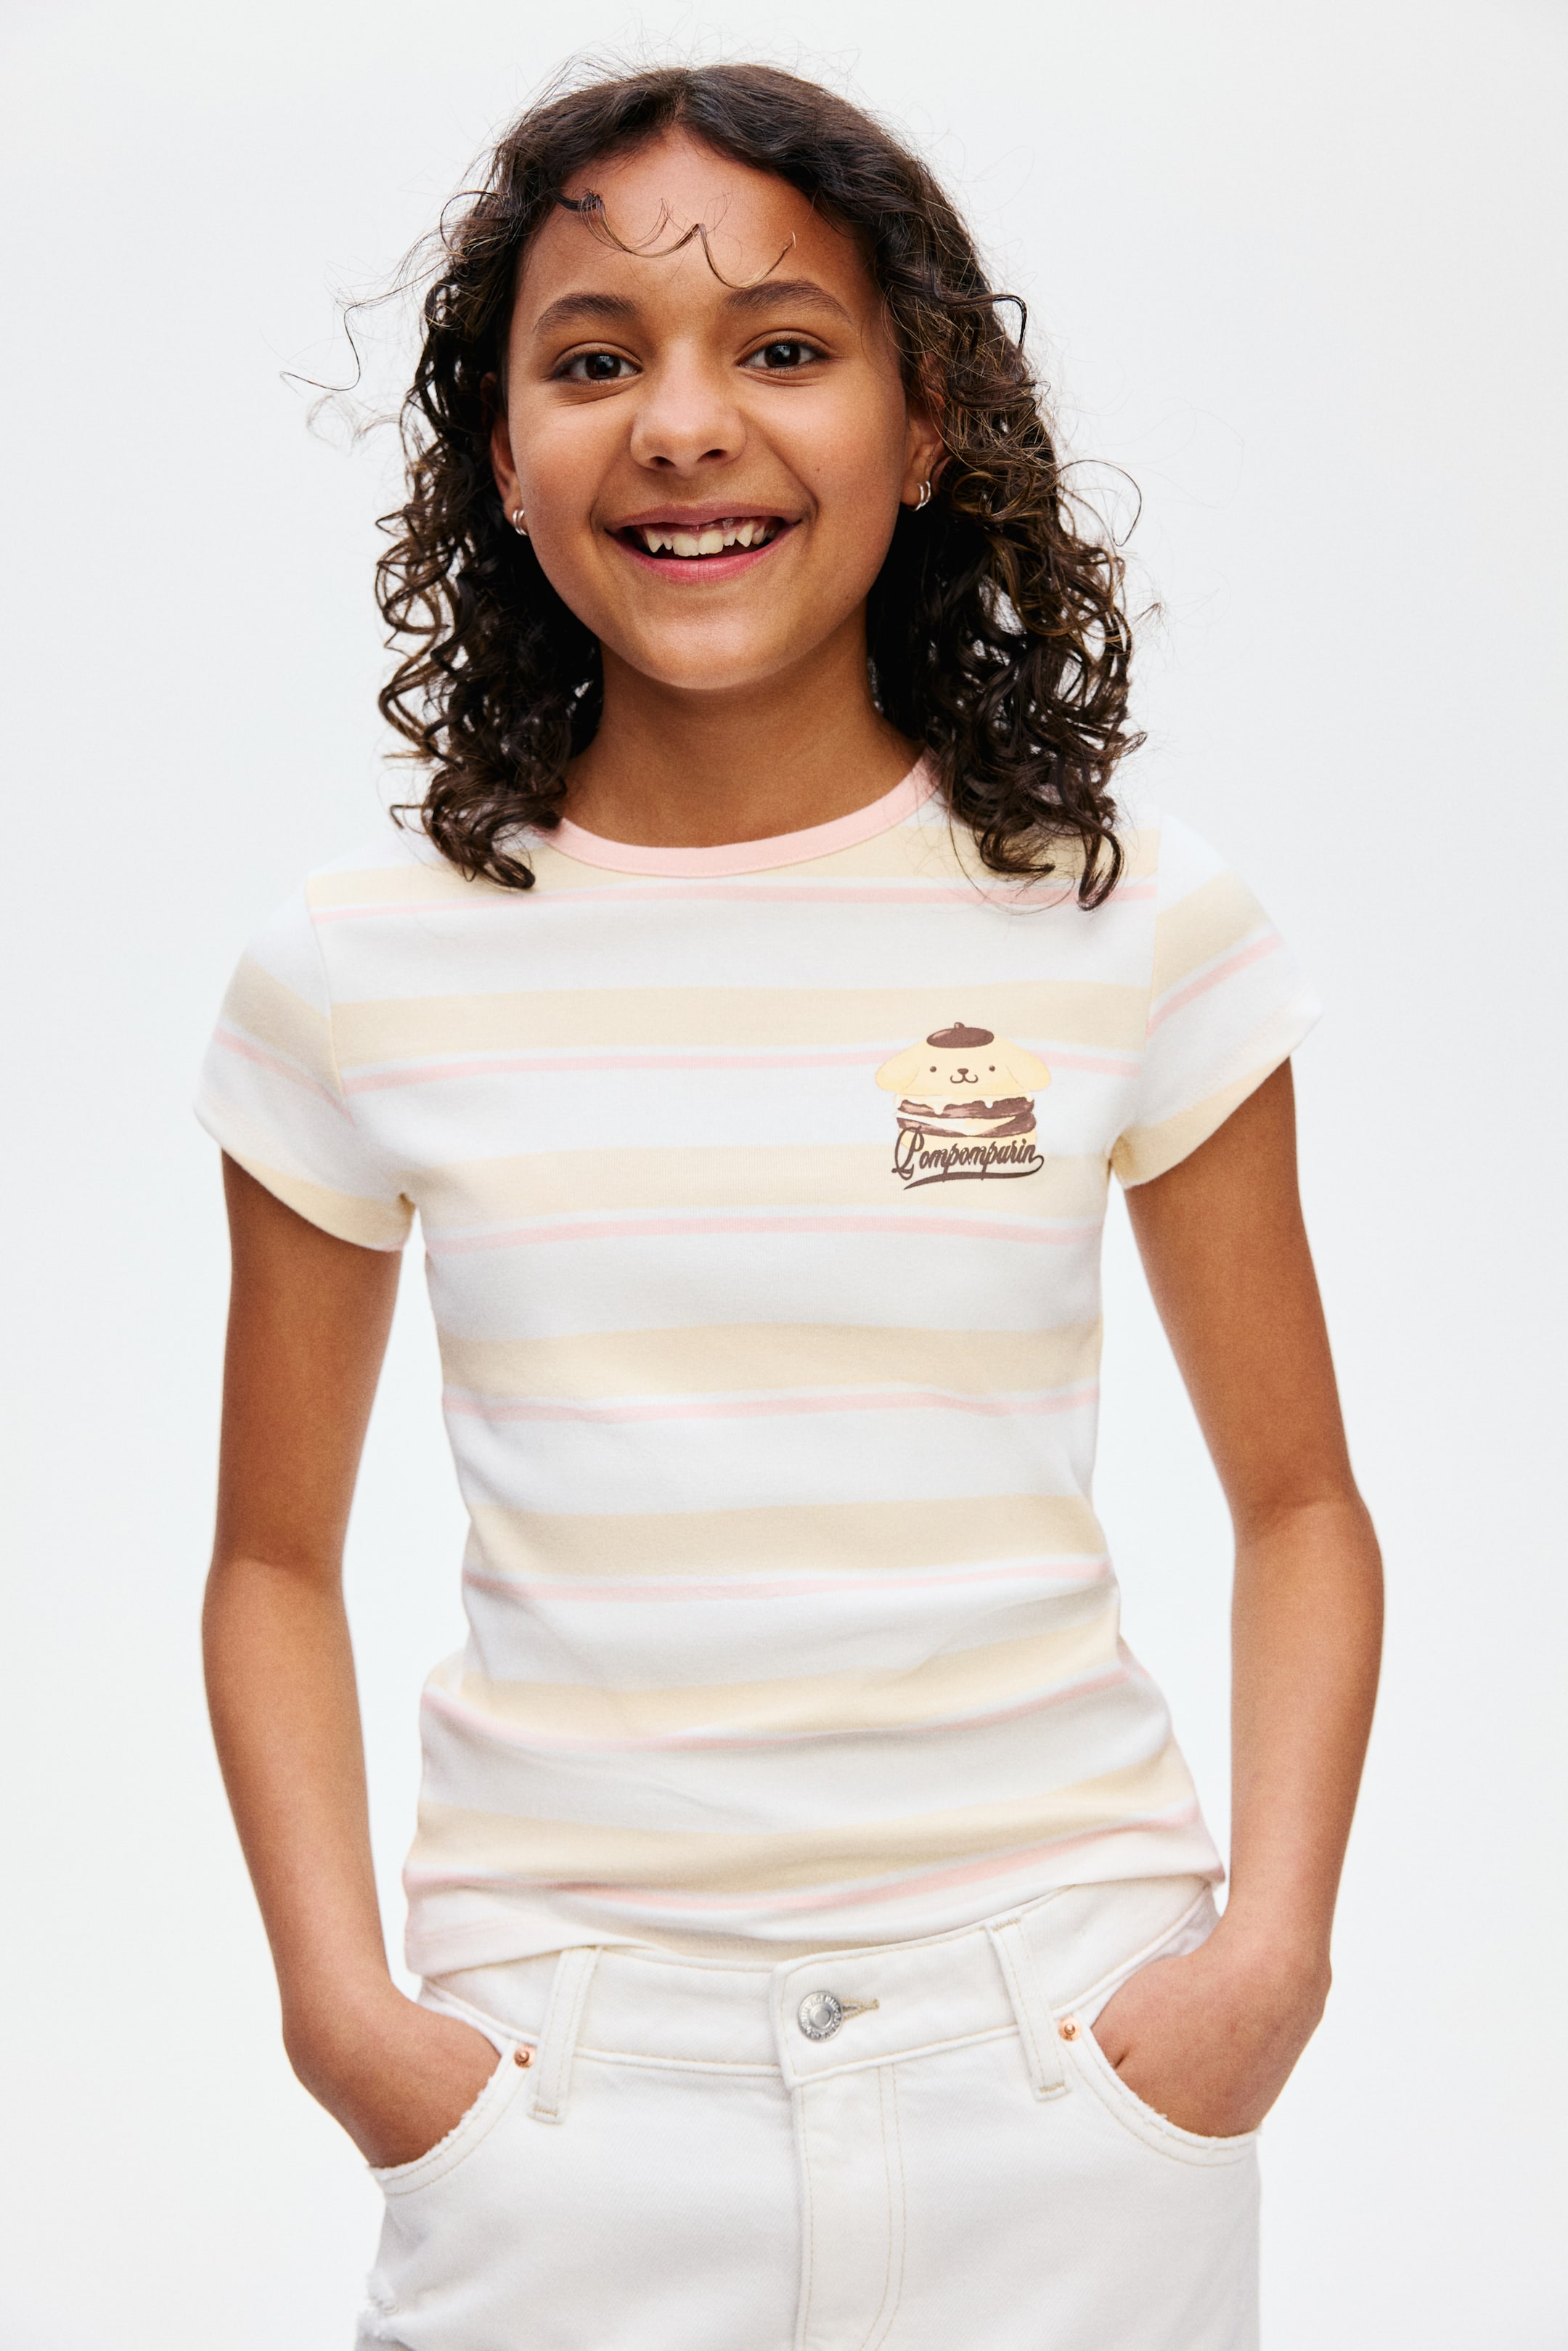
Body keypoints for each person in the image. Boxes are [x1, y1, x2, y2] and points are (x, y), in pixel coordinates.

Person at [197, 61, 1382, 2351]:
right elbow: (268, 1560)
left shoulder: (1127, 921)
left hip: (1067, 2069)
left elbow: (1303, 1501)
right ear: (501, 454)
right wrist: (352, 2025)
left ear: (923, 423)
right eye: (593, 361)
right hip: (565, 2102)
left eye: (782, 345)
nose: (682, 426)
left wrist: (1267, 1967)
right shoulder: (354, 968)